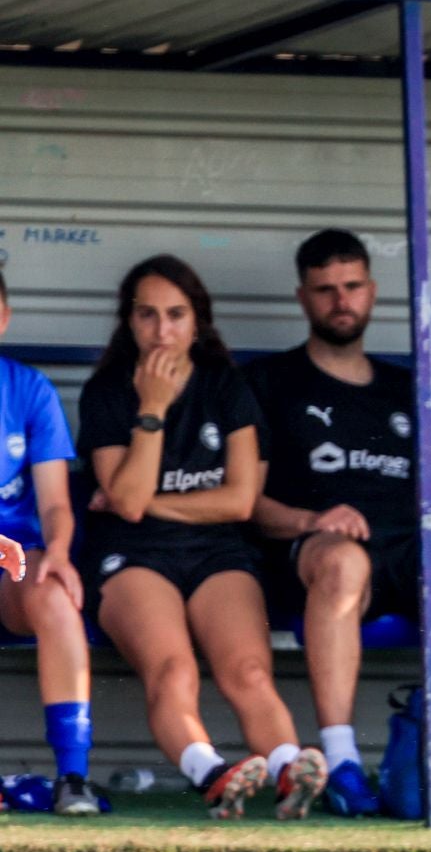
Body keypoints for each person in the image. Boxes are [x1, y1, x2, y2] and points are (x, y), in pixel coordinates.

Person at [248, 228, 431, 817]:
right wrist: (313, 518)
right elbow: (247, 502)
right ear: (303, 297)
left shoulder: (410, 388)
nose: (341, 300)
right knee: (342, 561)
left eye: (352, 286)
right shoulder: (268, 383)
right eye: (325, 289)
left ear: (372, 291)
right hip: (319, 555)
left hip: (412, 552)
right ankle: (342, 762)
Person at [78, 255, 325, 819]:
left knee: (250, 673)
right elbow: (127, 503)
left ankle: (290, 769)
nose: (162, 330)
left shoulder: (227, 388)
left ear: (198, 322)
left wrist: (147, 504)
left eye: (176, 314)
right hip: (133, 555)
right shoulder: (107, 393)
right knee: (173, 671)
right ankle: (212, 774)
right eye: (147, 315)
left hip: (218, 551)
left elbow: (239, 501)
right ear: (128, 322)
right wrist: (153, 408)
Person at [0, 271, 100, 816]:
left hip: (11, 563)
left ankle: (73, 776)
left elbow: (55, 502)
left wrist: (58, 549)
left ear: (4, 319)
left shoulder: (29, 389)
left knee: (56, 595)